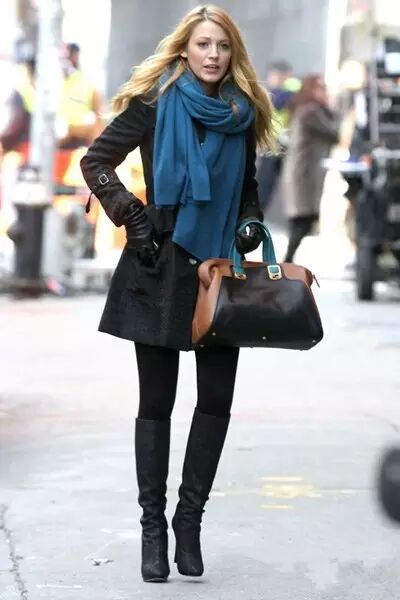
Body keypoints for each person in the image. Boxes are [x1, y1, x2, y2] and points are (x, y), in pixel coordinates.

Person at [80, 4, 275, 584]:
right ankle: (153, 531)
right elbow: (96, 161)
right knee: (156, 405)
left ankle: (189, 522)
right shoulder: (155, 104)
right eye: (203, 44)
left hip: (217, 270)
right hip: (159, 266)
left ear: (233, 54)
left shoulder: (241, 114)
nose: (213, 55)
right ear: (185, 49)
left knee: (215, 401)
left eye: (222, 45)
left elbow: (247, 188)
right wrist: (132, 217)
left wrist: (249, 222)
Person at [281, 74, 339, 262]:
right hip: (303, 174)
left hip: (304, 173)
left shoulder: (308, 109)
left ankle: (287, 260)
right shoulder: (311, 111)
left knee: (303, 219)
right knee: (303, 219)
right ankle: (287, 260)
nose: (325, 92)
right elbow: (335, 132)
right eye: (321, 88)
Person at [256, 60, 301, 211]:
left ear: (283, 75)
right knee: (265, 180)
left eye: (272, 76)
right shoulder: (282, 90)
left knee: (267, 179)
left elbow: (278, 103)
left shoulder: (291, 88)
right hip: (275, 140)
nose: (270, 79)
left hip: (282, 141)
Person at [58, 42, 103, 149]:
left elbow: (98, 119)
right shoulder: (52, 83)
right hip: (56, 142)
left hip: (80, 140)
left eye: (69, 57)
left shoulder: (87, 84)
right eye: (62, 59)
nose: (65, 62)